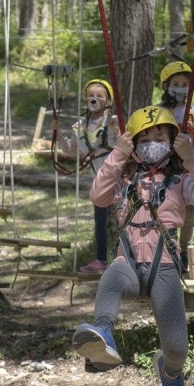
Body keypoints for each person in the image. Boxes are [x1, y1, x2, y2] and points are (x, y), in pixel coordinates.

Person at [71, 106, 194, 386]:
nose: (152, 141)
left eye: (159, 135)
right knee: (111, 278)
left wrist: (191, 157)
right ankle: (104, 332)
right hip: (126, 262)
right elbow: (98, 197)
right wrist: (117, 154)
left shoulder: (181, 180)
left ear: (171, 141)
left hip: (163, 266)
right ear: (135, 144)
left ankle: (170, 372)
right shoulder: (125, 178)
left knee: (178, 348)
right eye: (144, 137)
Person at [54, 79, 120, 273]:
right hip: (98, 181)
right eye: (90, 95)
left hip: (118, 178)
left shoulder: (113, 122)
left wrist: (118, 131)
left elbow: (124, 145)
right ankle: (100, 260)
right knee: (99, 220)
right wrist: (57, 135)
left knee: (127, 217)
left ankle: (128, 258)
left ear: (108, 101)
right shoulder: (79, 127)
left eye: (99, 96)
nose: (94, 99)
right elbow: (70, 151)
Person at [159, 60, 194, 272]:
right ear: (166, 85)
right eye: (176, 83)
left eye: (185, 84)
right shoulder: (159, 112)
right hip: (166, 166)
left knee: (190, 208)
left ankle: (184, 249)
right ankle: (168, 247)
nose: (180, 88)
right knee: (168, 206)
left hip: (187, 167)